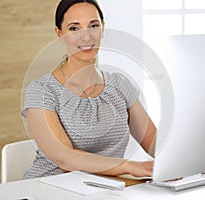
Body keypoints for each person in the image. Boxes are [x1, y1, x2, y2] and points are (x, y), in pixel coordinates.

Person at [21, 0, 157, 179]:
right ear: (59, 33)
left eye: (93, 26)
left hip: (104, 190)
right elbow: (66, 160)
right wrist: (129, 167)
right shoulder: (42, 92)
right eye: (74, 28)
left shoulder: (119, 85)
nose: (86, 37)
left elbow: (154, 144)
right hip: (47, 189)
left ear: (103, 28)